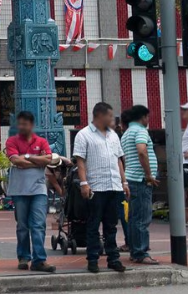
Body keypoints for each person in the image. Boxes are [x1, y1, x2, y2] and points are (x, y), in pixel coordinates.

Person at [73, 102, 128, 274]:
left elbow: (119, 159)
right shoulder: (84, 135)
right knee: (93, 225)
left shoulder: (113, 135)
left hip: (114, 186)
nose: (112, 119)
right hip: (95, 187)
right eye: (110, 116)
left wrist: (124, 182)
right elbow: (80, 160)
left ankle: (113, 259)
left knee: (111, 225)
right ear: (99, 116)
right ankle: (93, 259)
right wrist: (84, 183)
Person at [6, 111, 55, 273]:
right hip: (19, 190)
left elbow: (49, 159)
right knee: (22, 226)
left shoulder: (41, 141)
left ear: (31, 125)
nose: (21, 127)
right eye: (19, 124)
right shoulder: (11, 141)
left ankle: (39, 260)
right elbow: (15, 160)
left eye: (24, 124)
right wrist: (36, 160)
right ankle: (23, 257)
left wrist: (26, 157)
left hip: (39, 189)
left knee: (38, 225)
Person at [120, 105, 159, 264]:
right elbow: (142, 151)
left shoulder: (126, 133)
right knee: (143, 218)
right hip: (141, 180)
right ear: (143, 117)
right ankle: (141, 252)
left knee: (134, 218)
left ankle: (134, 250)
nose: (148, 121)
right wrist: (149, 175)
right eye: (148, 117)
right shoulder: (141, 131)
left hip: (131, 179)